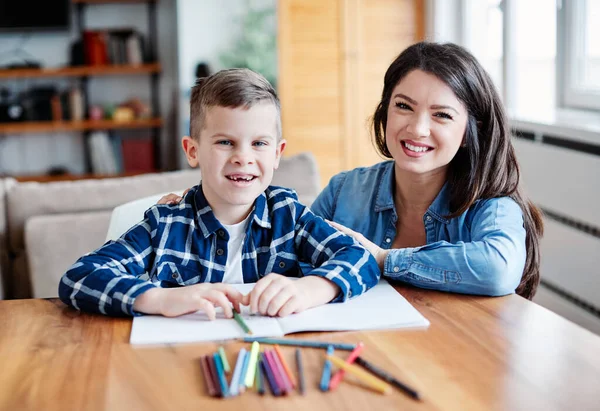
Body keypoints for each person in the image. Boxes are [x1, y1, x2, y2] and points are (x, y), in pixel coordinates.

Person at [162, 42, 544, 300]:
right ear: (385, 110)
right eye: (403, 106)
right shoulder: (346, 190)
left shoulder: (492, 202)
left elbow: (497, 271)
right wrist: (200, 210)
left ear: (467, 133)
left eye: (442, 115)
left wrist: (384, 260)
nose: (417, 129)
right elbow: (285, 248)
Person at [58, 68, 380, 318]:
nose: (243, 157)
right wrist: (159, 299)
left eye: (259, 143)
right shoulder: (166, 224)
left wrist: (312, 289)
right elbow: (79, 278)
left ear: (277, 154)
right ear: (193, 150)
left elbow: (361, 258)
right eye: (225, 142)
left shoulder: (290, 216)